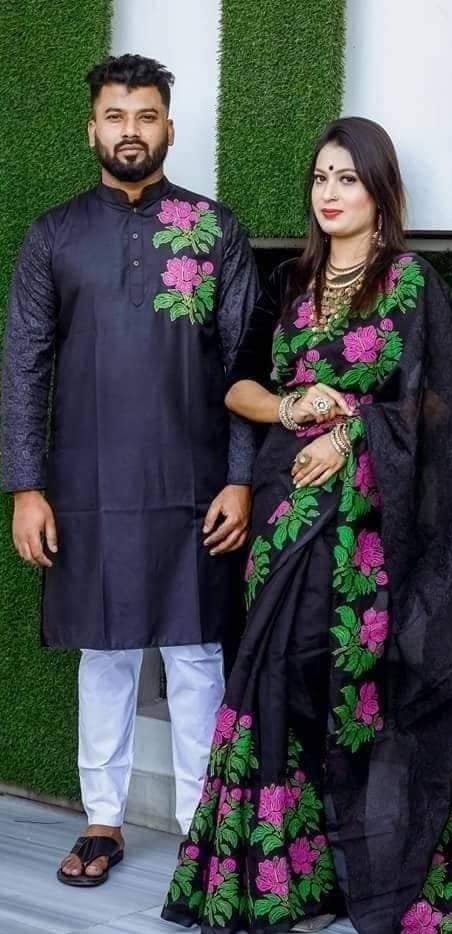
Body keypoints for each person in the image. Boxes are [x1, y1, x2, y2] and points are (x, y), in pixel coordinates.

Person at [161, 117, 452, 934]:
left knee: (349, 686)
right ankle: (285, 876)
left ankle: (361, 867)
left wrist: (354, 432)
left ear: (379, 192)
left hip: (369, 531)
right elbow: (238, 387)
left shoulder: (409, 286)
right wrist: (292, 404)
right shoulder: (290, 282)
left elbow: (440, 410)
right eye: (320, 177)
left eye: (347, 179)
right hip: (281, 513)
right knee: (275, 671)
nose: (329, 194)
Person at [1, 54, 258, 886]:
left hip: (195, 482)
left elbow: (245, 364)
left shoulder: (214, 230)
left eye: (145, 115)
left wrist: (240, 478)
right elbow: (24, 367)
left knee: (194, 654)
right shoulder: (53, 235)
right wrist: (27, 488)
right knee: (105, 654)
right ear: (92, 129)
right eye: (115, 116)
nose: (131, 131)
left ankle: (200, 829)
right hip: (88, 485)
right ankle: (102, 821)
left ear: (168, 127)